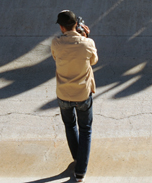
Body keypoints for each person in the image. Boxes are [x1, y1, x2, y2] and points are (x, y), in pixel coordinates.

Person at [51, 10, 98, 183]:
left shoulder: (55, 43)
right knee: (85, 129)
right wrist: (84, 37)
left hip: (63, 93)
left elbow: (56, 57)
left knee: (70, 126)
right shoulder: (87, 43)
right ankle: (80, 172)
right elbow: (93, 60)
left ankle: (78, 159)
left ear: (62, 27)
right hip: (82, 94)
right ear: (76, 26)